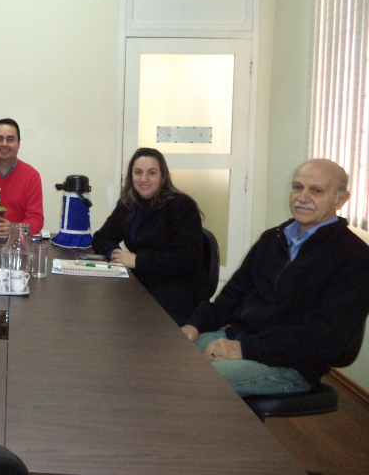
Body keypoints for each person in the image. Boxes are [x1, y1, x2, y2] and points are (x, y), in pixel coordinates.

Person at [182, 158, 369, 397]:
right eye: (298, 187)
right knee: (171, 358)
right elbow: (232, 296)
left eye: (317, 191)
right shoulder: (273, 239)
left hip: (292, 365)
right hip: (241, 338)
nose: (303, 197)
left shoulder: (355, 258)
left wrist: (244, 349)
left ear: (340, 200)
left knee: (192, 383)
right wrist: (194, 325)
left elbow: (324, 339)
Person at [92, 148, 206, 326]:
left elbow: (186, 259)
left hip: (175, 296)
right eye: (138, 172)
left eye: (151, 173)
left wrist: (138, 261)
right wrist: (114, 253)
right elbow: (101, 237)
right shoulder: (129, 204)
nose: (143, 179)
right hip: (141, 286)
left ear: (162, 176)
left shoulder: (182, 206)